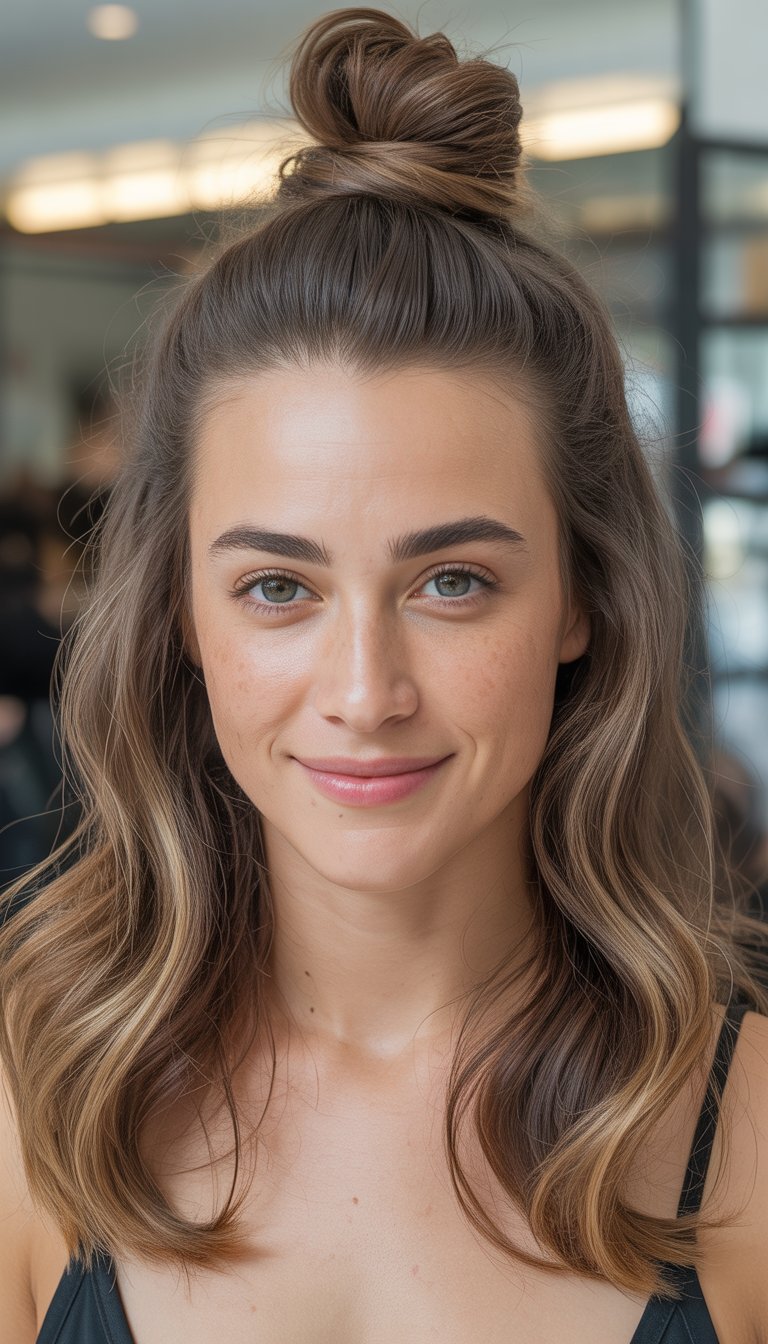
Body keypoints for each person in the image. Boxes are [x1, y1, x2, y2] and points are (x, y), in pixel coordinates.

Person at [1, 9, 767, 1343]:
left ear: (583, 598)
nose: (365, 693)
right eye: (277, 588)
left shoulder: (749, 1139)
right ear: (181, 614)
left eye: (452, 582)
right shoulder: (39, 1102)